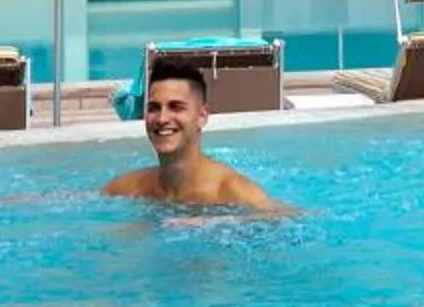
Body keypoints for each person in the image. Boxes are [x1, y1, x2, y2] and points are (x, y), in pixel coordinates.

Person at [100, 58, 289, 211]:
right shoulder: (130, 188)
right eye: (154, 108)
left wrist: (221, 224)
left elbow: (292, 223)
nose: (162, 118)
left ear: (202, 116)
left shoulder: (233, 192)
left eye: (176, 107)